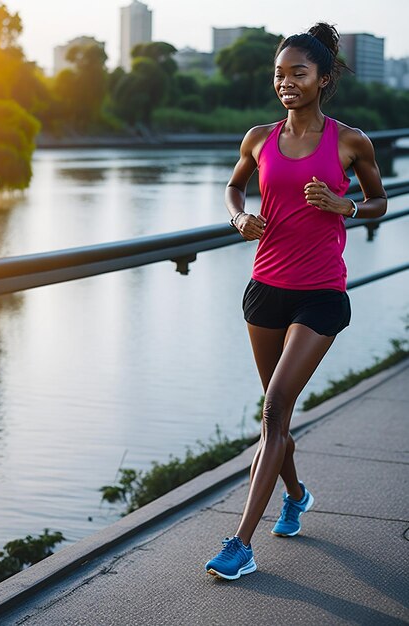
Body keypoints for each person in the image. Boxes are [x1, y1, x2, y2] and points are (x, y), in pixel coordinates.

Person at [205, 22, 387, 580]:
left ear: (323, 78)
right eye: (279, 73)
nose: (285, 82)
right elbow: (234, 186)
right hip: (265, 290)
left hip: (321, 293)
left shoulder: (351, 141)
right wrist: (240, 216)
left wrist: (344, 204)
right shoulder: (258, 137)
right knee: (275, 415)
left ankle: (240, 544)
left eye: (298, 73)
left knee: (273, 409)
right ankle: (297, 495)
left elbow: (379, 201)